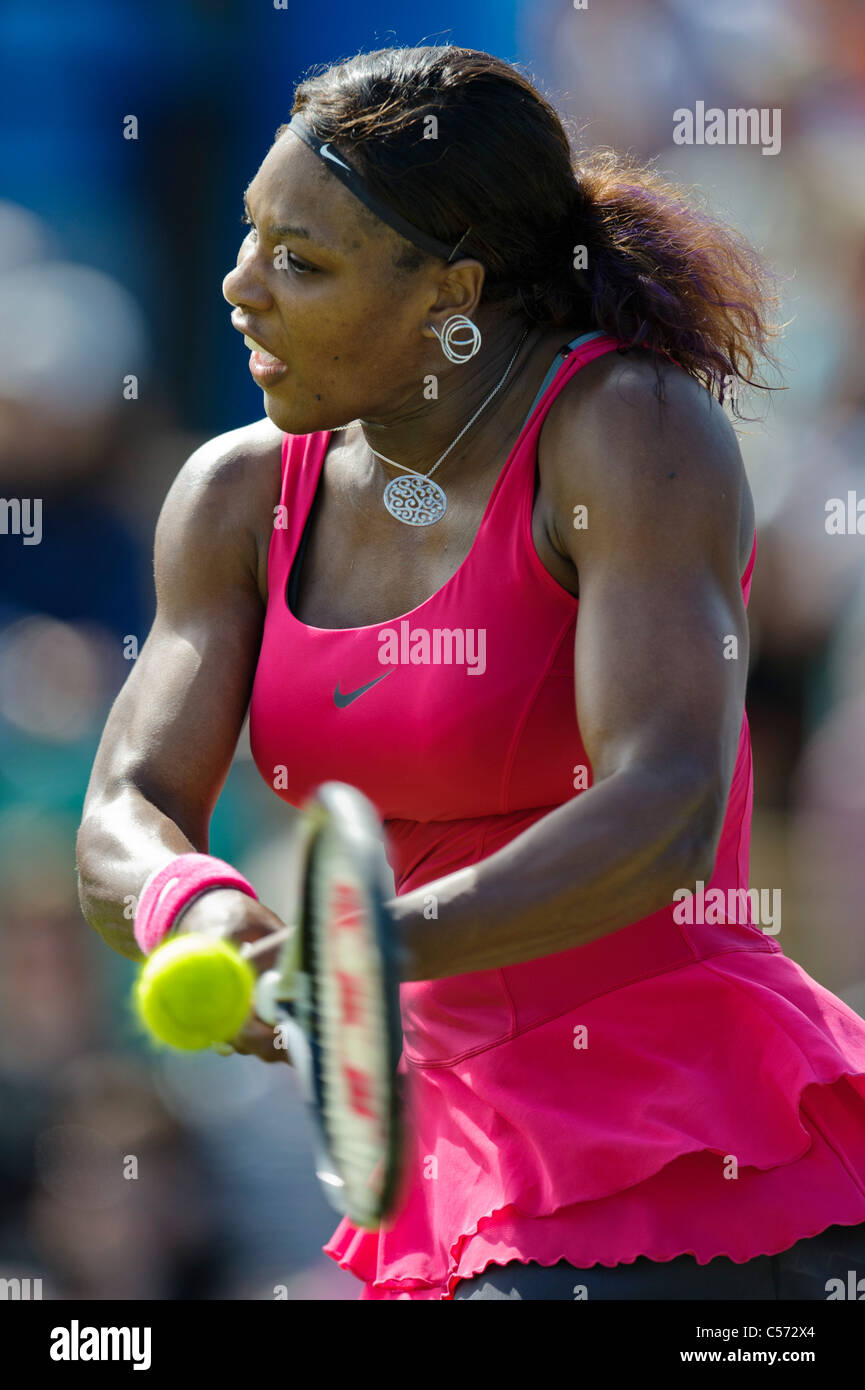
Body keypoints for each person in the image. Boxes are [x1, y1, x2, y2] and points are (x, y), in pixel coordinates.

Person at [77, 44, 865, 1301]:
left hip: (693, 1146)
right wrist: (195, 906)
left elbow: (664, 799)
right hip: (442, 1164)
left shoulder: (630, 432)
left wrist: (366, 953)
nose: (239, 288)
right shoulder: (231, 495)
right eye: (247, 238)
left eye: (303, 262)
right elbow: (126, 806)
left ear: (453, 289)